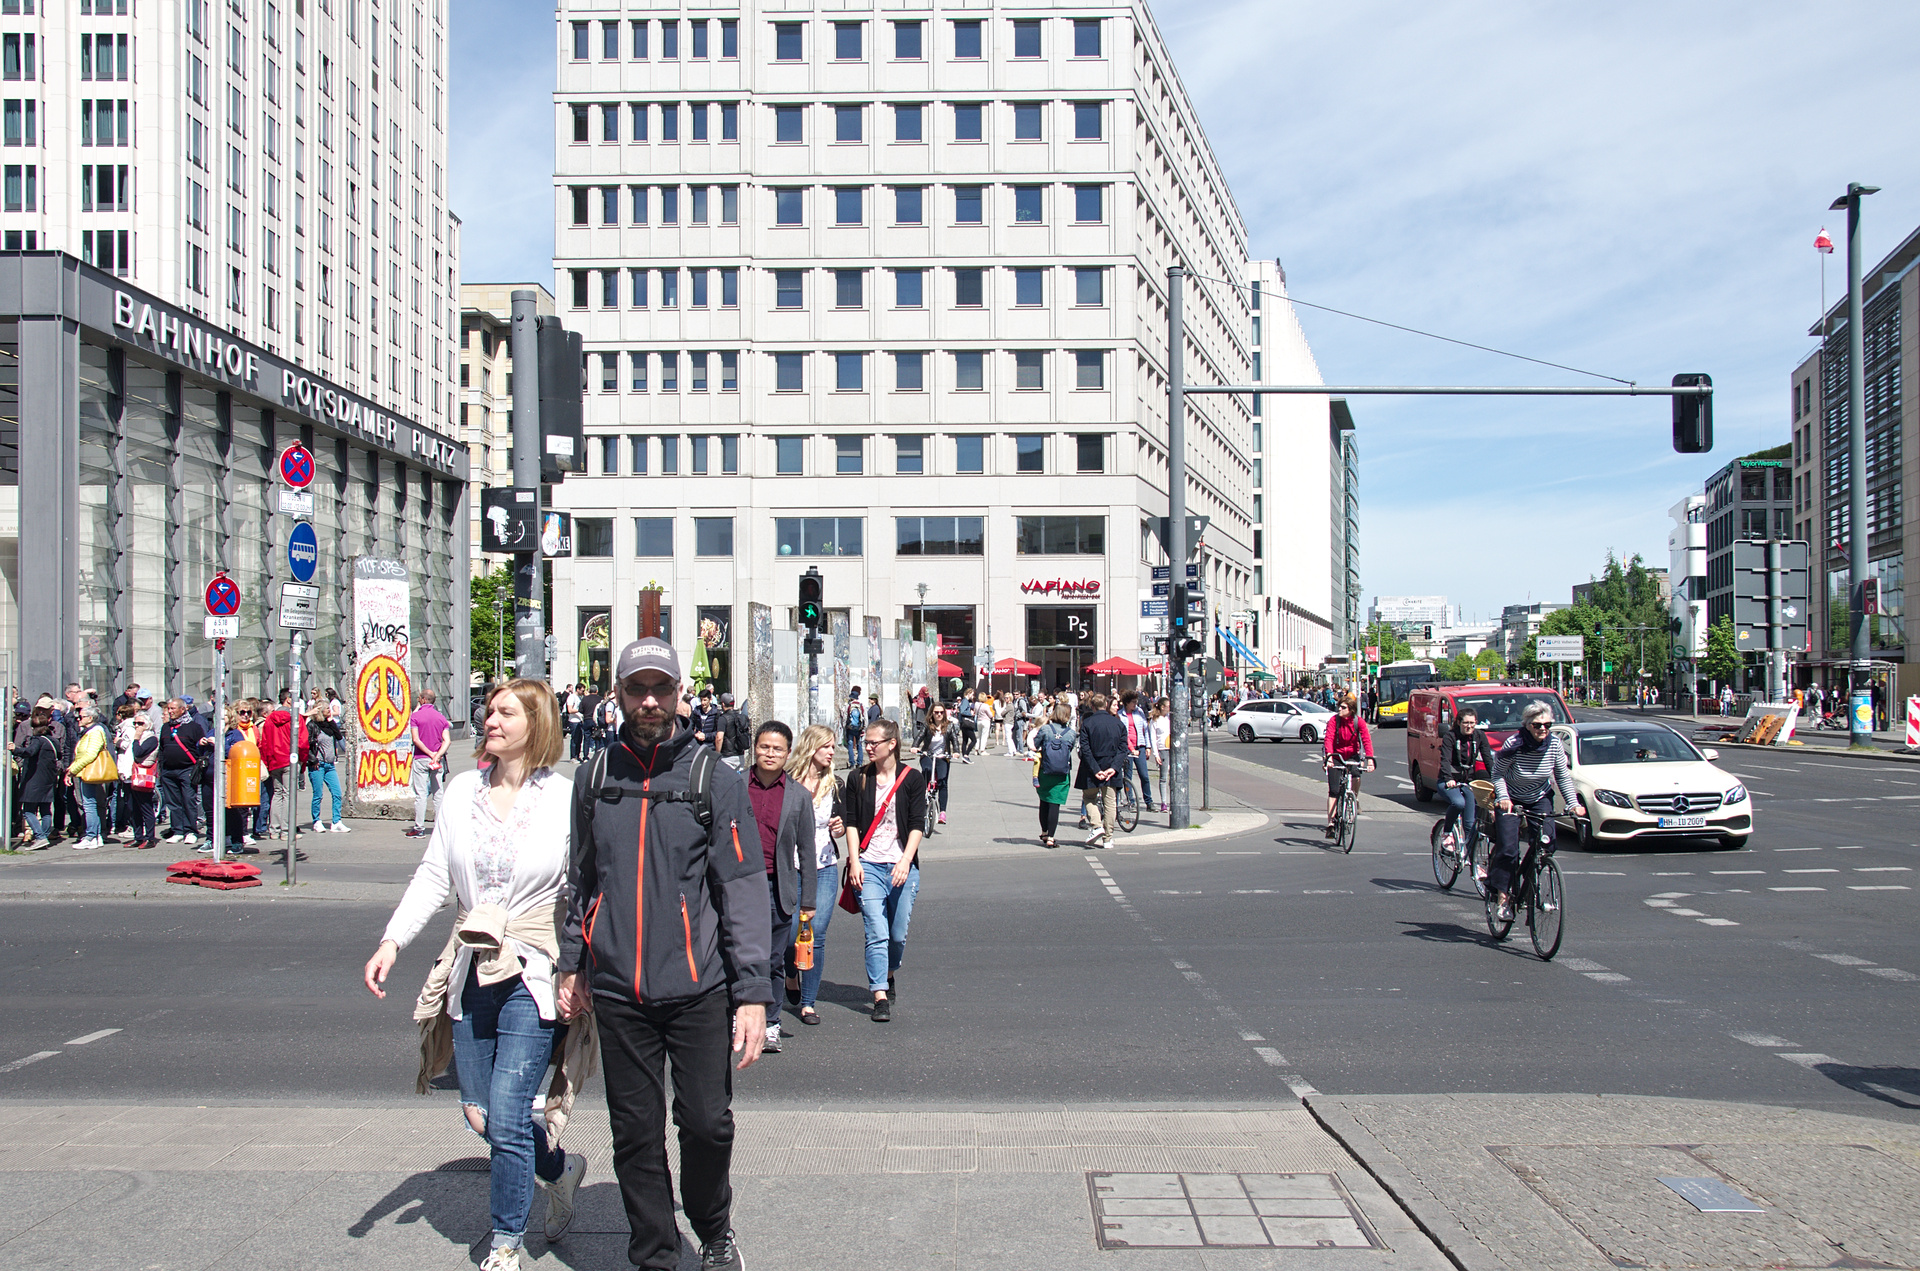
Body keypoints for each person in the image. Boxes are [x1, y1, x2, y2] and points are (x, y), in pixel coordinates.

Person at [557, 638, 769, 1271]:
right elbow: (581, 877)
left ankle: (712, 1226)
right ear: (618, 695)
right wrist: (572, 962)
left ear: (679, 695)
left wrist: (752, 993)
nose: (649, 701)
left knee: (707, 1124)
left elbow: (741, 885)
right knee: (635, 1133)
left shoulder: (713, 778)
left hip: (698, 986)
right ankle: (654, 1254)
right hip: (619, 988)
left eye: (661, 689)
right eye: (636, 689)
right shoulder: (596, 776)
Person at [363, 679, 588, 1271]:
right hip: (471, 965)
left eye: (506, 712)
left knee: (509, 1113)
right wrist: (392, 941)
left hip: (533, 967)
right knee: (481, 1113)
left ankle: (505, 1241)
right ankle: (559, 1169)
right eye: (489, 710)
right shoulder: (462, 790)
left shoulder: (564, 797)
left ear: (536, 724)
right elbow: (434, 875)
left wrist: (578, 970)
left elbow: (584, 890)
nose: (491, 719)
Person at [842, 717, 926, 1021]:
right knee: (876, 932)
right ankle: (879, 994)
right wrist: (854, 860)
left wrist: (905, 861)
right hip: (869, 865)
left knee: (897, 935)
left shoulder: (912, 778)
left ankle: (889, 972)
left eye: (873, 742)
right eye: (866, 742)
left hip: (902, 866)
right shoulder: (858, 778)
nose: (867, 747)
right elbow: (852, 822)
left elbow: (916, 824)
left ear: (891, 744)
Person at [744, 720, 816, 1055]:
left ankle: (771, 1022)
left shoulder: (798, 796)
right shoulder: (734, 786)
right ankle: (740, 1016)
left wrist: (808, 900)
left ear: (788, 754)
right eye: (764, 747)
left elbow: (807, 850)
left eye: (777, 749)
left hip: (777, 886)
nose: (770, 754)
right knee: (738, 956)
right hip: (739, 886)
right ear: (754, 749)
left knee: (773, 960)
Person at [1490, 702, 1585, 923]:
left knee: (1547, 843)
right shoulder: (1515, 743)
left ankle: (1530, 882)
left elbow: (1562, 776)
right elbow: (1497, 774)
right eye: (1537, 725)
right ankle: (1503, 897)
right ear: (1527, 725)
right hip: (1511, 798)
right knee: (1508, 848)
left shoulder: (1554, 744)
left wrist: (1573, 804)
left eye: (1547, 725)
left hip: (1539, 797)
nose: (1543, 729)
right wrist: (1503, 798)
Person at [788, 724, 844, 1028]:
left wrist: (840, 827)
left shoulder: (834, 784)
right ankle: (790, 973)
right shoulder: (787, 781)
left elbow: (843, 822)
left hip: (824, 865)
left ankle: (808, 1003)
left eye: (833, 746)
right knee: (788, 936)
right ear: (812, 747)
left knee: (815, 932)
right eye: (827, 746)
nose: (832, 752)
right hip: (791, 866)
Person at [1436, 707, 1494, 867]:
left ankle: (1474, 865)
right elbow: (1445, 759)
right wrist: (1448, 778)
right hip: (1448, 781)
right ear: (1459, 723)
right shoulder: (1450, 736)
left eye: (1472, 723)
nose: (1469, 726)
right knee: (1458, 803)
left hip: (1468, 781)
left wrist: (1496, 779)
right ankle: (1447, 832)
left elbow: (1488, 759)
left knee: (1470, 824)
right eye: (1466, 723)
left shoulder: (1479, 736)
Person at [1079, 693, 1130, 848]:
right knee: (1110, 803)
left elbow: (1085, 749)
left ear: (1092, 706)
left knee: (1089, 798)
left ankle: (1096, 825)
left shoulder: (1087, 723)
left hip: (1092, 767)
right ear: (1106, 705)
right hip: (1111, 766)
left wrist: (1095, 769)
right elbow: (1123, 748)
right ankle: (1108, 838)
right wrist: (1113, 768)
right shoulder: (1118, 724)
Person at [1322, 695, 1375, 838]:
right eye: (1339, 706)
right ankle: (1331, 824)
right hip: (1336, 755)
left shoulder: (1358, 722)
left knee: (1356, 775)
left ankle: (1353, 798)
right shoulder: (1334, 720)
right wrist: (1329, 757)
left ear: (1351, 709)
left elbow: (1366, 740)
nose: (1339, 709)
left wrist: (1370, 759)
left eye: (1343, 707)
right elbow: (1329, 739)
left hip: (1352, 755)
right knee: (1334, 790)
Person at [1028, 701, 1077, 848]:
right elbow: (1070, 749)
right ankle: (1051, 837)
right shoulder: (1071, 733)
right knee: (1055, 804)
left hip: (1045, 770)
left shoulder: (1046, 729)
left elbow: (1035, 745)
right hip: (1061, 773)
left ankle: (1044, 832)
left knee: (1044, 801)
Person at [158, 698, 205, 845]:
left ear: (182, 709)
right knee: (173, 802)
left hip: (187, 769)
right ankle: (178, 830)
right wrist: (161, 769)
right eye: (169, 709)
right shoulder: (165, 727)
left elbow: (201, 748)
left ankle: (190, 830)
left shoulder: (194, 727)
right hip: (168, 771)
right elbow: (162, 749)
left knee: (188, 800)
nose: (170, 711)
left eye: (173, 708)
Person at [407, 688, 452, 838]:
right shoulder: (441, 718)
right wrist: (437, 755)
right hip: (437, 761)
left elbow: (416, 739)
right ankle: (439, 827)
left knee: (421, 794)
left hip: (421, 758)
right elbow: (447, 740)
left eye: (420, 698)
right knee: (438, 793)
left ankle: (419, 828)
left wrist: (429, 753)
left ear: (423, 699)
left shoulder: (416, 717)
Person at [307, 695, 349, 834]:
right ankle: (316, 821)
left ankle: (336, 821)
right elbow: (307, 745)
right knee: (318, 794)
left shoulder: (329, 725)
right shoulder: (312, 726)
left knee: (337, 793)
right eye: (326, 709)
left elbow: (339, 736)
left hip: (330, 765)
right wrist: (313, 760)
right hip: (318, 764)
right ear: (320, 711)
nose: (329, 711)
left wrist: (331, 722)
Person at [18, 709, 59, 849]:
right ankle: (45, 836)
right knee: (45, 809)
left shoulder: (37, 740)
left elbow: (30, 752)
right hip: (48, 778)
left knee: (28, 810)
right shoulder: (53, 741)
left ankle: (40, 837)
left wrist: (15, 749)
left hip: (34, 779)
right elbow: (59, 755)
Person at [914, 701, 957, 826]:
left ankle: (942, 812)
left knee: (943, 781)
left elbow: (954, 740)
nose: (939, 715)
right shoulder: (927, 725)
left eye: (941, 712)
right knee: (926, 770)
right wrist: (915, 746)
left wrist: (956, 752)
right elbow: (919, 737)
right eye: (936, 712)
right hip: (928, 755)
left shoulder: (949, 726)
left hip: (942, 756)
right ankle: (923, 795)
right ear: (932, 713)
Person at [122, 712, 159, 850]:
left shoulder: (151, 738)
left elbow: (138, 753)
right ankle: (138, 836)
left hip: (143, 775)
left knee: (146, 807)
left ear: (147, 725)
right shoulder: (138, 737)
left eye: (140, 723)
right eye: (135, 723)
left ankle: (150, 838)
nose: (137, 726)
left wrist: (136, 739)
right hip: (133, 775)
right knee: (134, 808)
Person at [1120, 690, 1153, 811]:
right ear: (1127, 703)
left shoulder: (1139, 712)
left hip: (1140, 746)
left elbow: (1145, 729)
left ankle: (1149, 801)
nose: (1135, 704)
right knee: (1128, 776)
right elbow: (1123, 734)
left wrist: (1148, 746)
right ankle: (1131, 801)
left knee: (1144, 775)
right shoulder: (1121, 715)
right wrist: (1131, 748)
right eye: (1133, 702)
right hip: (1127, 749)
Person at [715, 692, 751, 770]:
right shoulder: (741, 717)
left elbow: (719, 738)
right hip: (740, 756)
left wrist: (717, 754)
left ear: (723, 704)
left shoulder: (723, 719)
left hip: (727, 757)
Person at [1148, 700, 1171, 812]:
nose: (1169, 708)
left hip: (1172, 748)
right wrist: (1156, 754)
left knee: (1174, 776)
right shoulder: (1155, 720)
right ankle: (1164, 802)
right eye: (1168, 706)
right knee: (1163, 777)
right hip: (1162, 749)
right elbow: (1153, 738)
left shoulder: (1170, 718)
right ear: (1162, 707)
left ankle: (1173, 799)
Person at [843, 687, 866, 764]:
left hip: (850, 728)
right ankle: (859, 762)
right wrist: (864, 728)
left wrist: (845, 726)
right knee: (859, 744)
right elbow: (865, 718)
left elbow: (845, 717)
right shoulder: (861, 705)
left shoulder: (849, 706)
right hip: (859, 728)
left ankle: (852, 762)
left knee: (850, 744)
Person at [955, 691, 977, 762]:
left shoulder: (965, 701)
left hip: (963, 723)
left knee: (965, 740)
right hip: (967, 723)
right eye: (972, 694)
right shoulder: (965, 701)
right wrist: (970, 714)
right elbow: (962, 711)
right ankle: (966, 755)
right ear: (968, 693)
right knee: (974, 740)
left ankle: (964, 757)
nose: (972, 696)